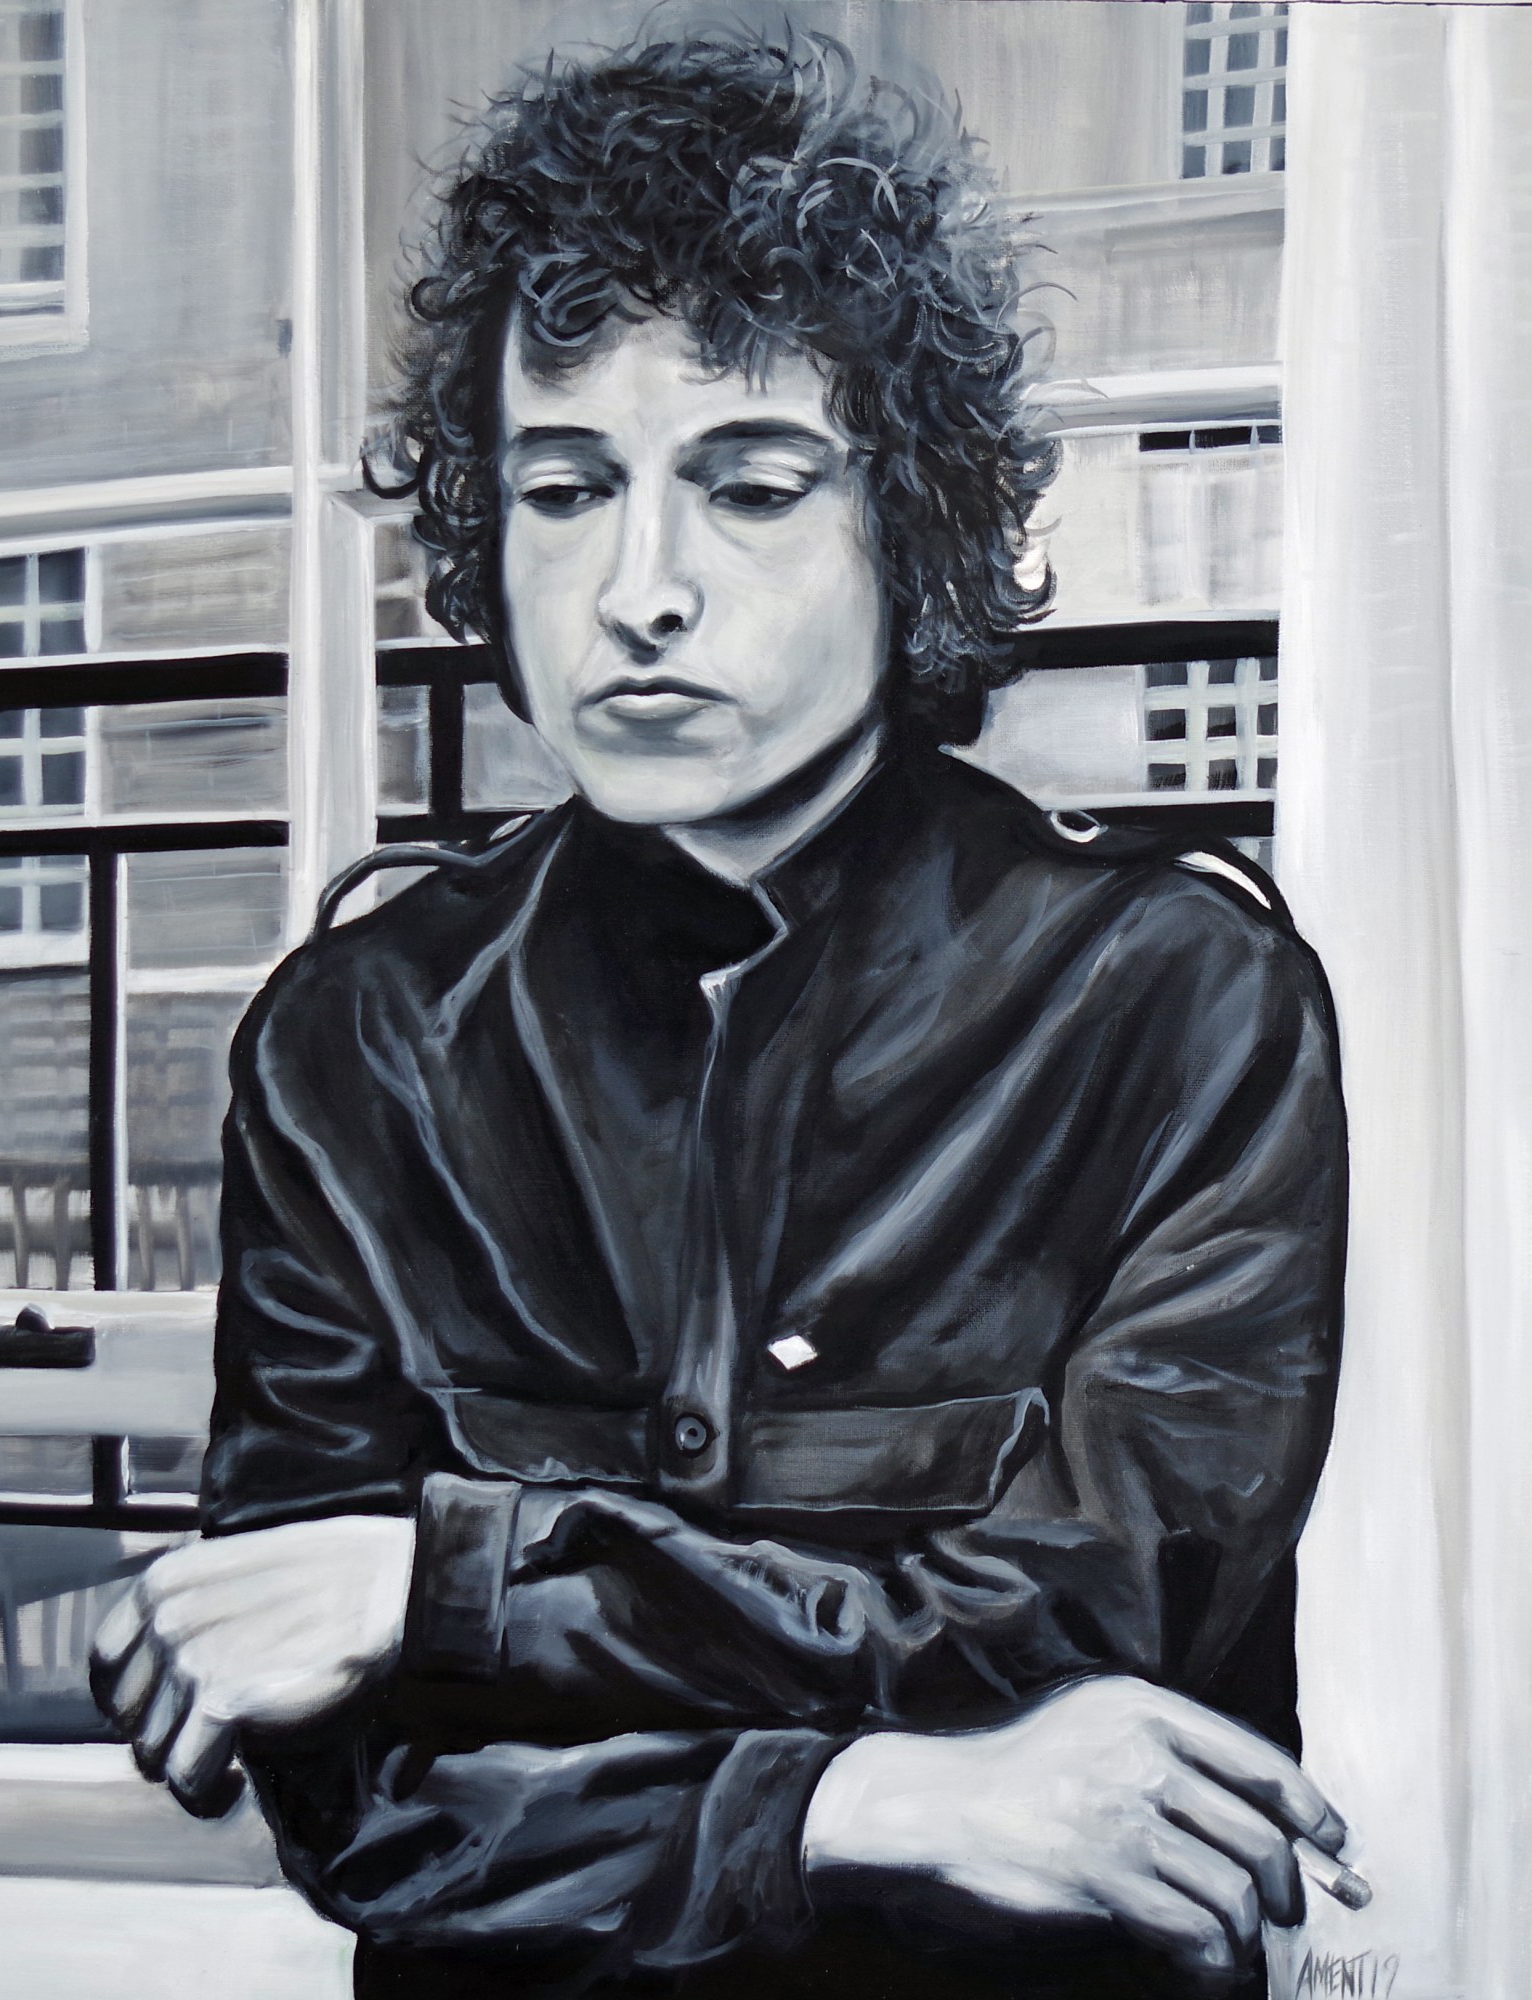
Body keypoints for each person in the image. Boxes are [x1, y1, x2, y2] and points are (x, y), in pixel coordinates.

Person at [91, 26, 1350, 2000]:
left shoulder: (1175, 1001)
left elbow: (1089, 1641)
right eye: (563, 489)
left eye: (750, 487)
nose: (639, 590)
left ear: (911, 523)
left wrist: (446, 1582)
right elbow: (358, 1799)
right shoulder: (359, 1037)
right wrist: (866, 1800)